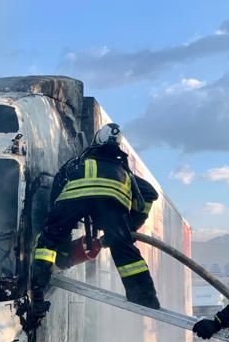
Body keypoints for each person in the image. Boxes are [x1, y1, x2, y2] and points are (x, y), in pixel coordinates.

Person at [28, 122, 160, 329]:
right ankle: (144, 297)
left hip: (72, 200)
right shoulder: (123, 171)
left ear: (96, 140)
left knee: (48, 241)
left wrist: (58, 233)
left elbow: (56, 195)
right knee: (125, 251)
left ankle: (37, 289)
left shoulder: (75, 164)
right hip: (110, 203)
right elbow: (150, 194)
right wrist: (131, 227)